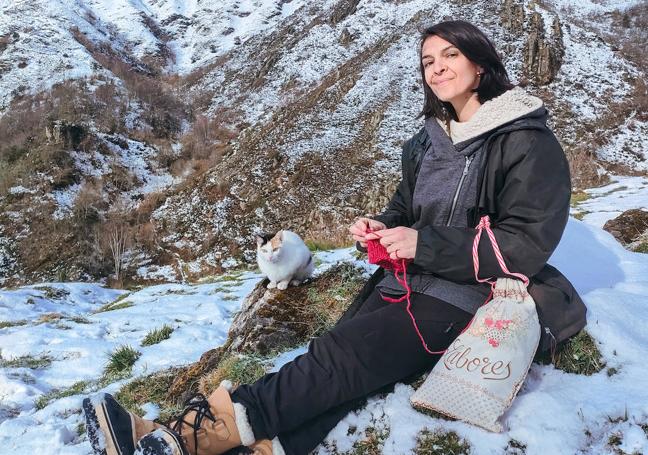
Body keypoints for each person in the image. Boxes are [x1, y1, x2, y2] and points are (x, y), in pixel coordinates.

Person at [82, 19, 586, 455]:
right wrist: (383, 226)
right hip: (408, 284)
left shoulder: (527, 141)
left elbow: (526, 243)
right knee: (338, 370)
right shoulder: (427, 141)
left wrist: (423, 245)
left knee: (340, 359)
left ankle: (175, 440)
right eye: (428, 60)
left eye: (450, 55)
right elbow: (404, 209)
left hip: (470, 297)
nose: (437, 68)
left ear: (480, 64)